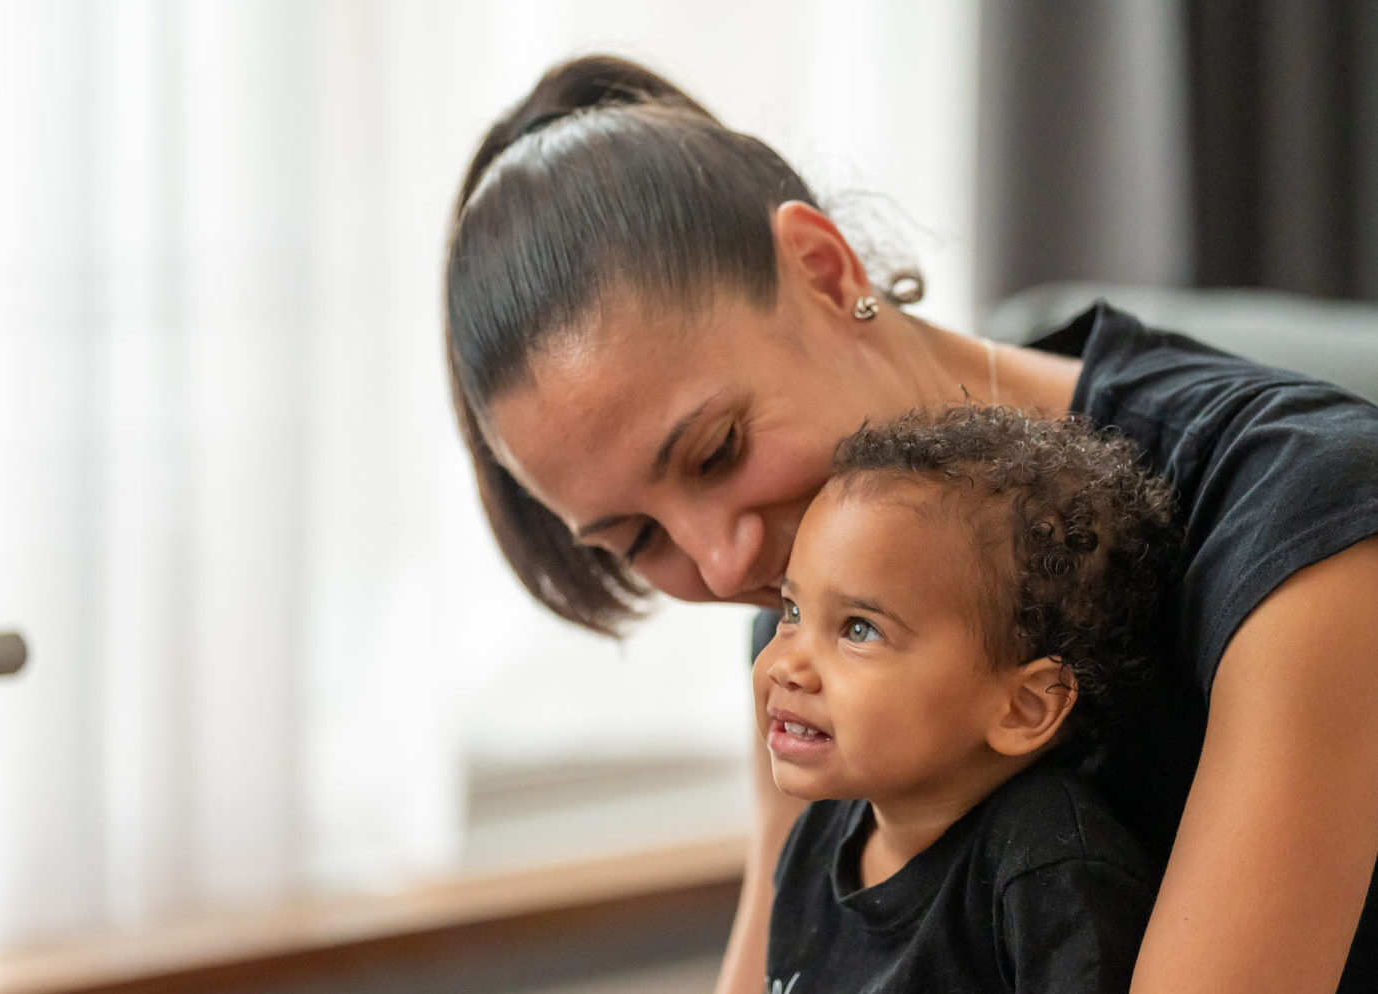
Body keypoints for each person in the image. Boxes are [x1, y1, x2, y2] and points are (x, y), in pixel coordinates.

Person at [445, 54, 1378, 993]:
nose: (726, 570)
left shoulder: (1302, 508)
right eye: (637, 540)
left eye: (718, 449)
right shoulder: (803, 606)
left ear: (823, 268)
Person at [757, 406, 1173, 992]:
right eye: (792, 613)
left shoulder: (1046, 867)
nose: (787, 666)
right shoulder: (820, 833)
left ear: (1023, 707)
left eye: (859, 629)